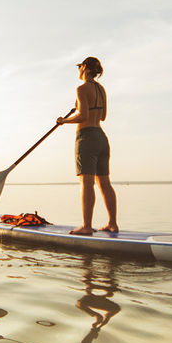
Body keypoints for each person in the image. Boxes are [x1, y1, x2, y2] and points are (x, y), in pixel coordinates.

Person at [55, 56, 118, 235]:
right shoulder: (101, 89)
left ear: (85, 68)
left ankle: (87, 226)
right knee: (105, 183)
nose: (78, 70)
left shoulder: (81, 88)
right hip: (102, 137)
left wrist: (64, 121)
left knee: (87, 183)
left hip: (87, 138)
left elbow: (82, 115)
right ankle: (112, 223)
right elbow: (103, 116)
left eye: (79, 67)